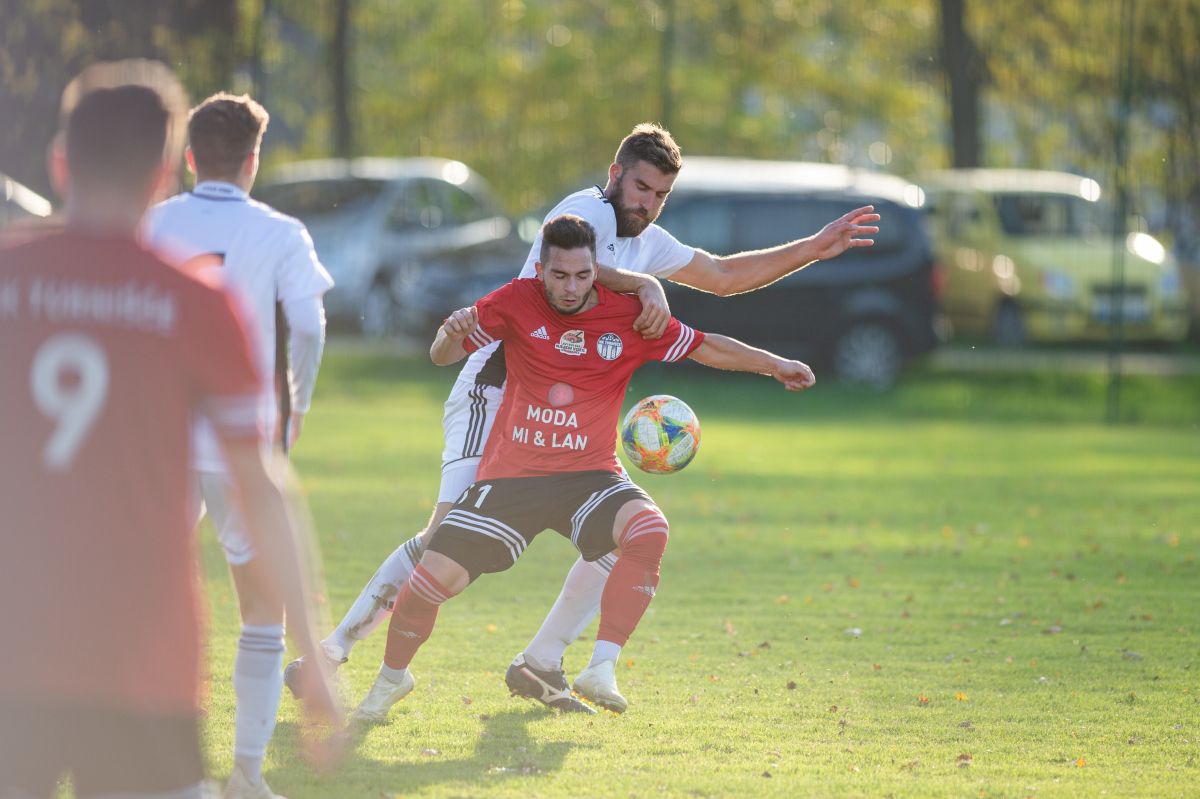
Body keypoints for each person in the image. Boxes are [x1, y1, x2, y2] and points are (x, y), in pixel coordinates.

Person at [287, 122, 876, 713]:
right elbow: (580, 269)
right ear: (616, 175)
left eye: (661, 194)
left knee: (624, 535)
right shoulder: (584, 211)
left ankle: (541, 661)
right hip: (497, 389)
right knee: (443, 535)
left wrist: (812, 247)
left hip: (568, 414)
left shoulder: (647, 237)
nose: (647, 204)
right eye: (641, 187)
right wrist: (646, 285)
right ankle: (333, 652)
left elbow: (722, 278)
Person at [0, 76, 341, 799]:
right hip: (141, 656)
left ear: (60, 163)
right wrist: (313, 658)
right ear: (161, 175)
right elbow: (262, 486)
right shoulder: (196, 300)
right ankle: (247, 770)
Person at [349, 213, 815, 722]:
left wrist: (775, 364)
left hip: (589, 475)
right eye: (559, 275)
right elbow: (442, 356)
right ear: (540, 270)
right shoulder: (516, 300)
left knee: (648, 529)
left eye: (582, 275)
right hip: (512, 479)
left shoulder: (630, 317)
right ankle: (391, 679)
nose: (570, 287)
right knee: (429, 582)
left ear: (597, 270)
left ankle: (601, 666)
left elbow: (705, 345)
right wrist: (449, 333)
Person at [143, 92, 334, 799]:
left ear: (190, 158)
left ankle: (153, 768)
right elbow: (308, 327)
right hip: (239, 440)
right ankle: (247, 774)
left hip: (158, 439)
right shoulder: (280, 232)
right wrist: (296, 405)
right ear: (254, 160)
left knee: (145, 599)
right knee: (261, 607)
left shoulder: (153, 221)